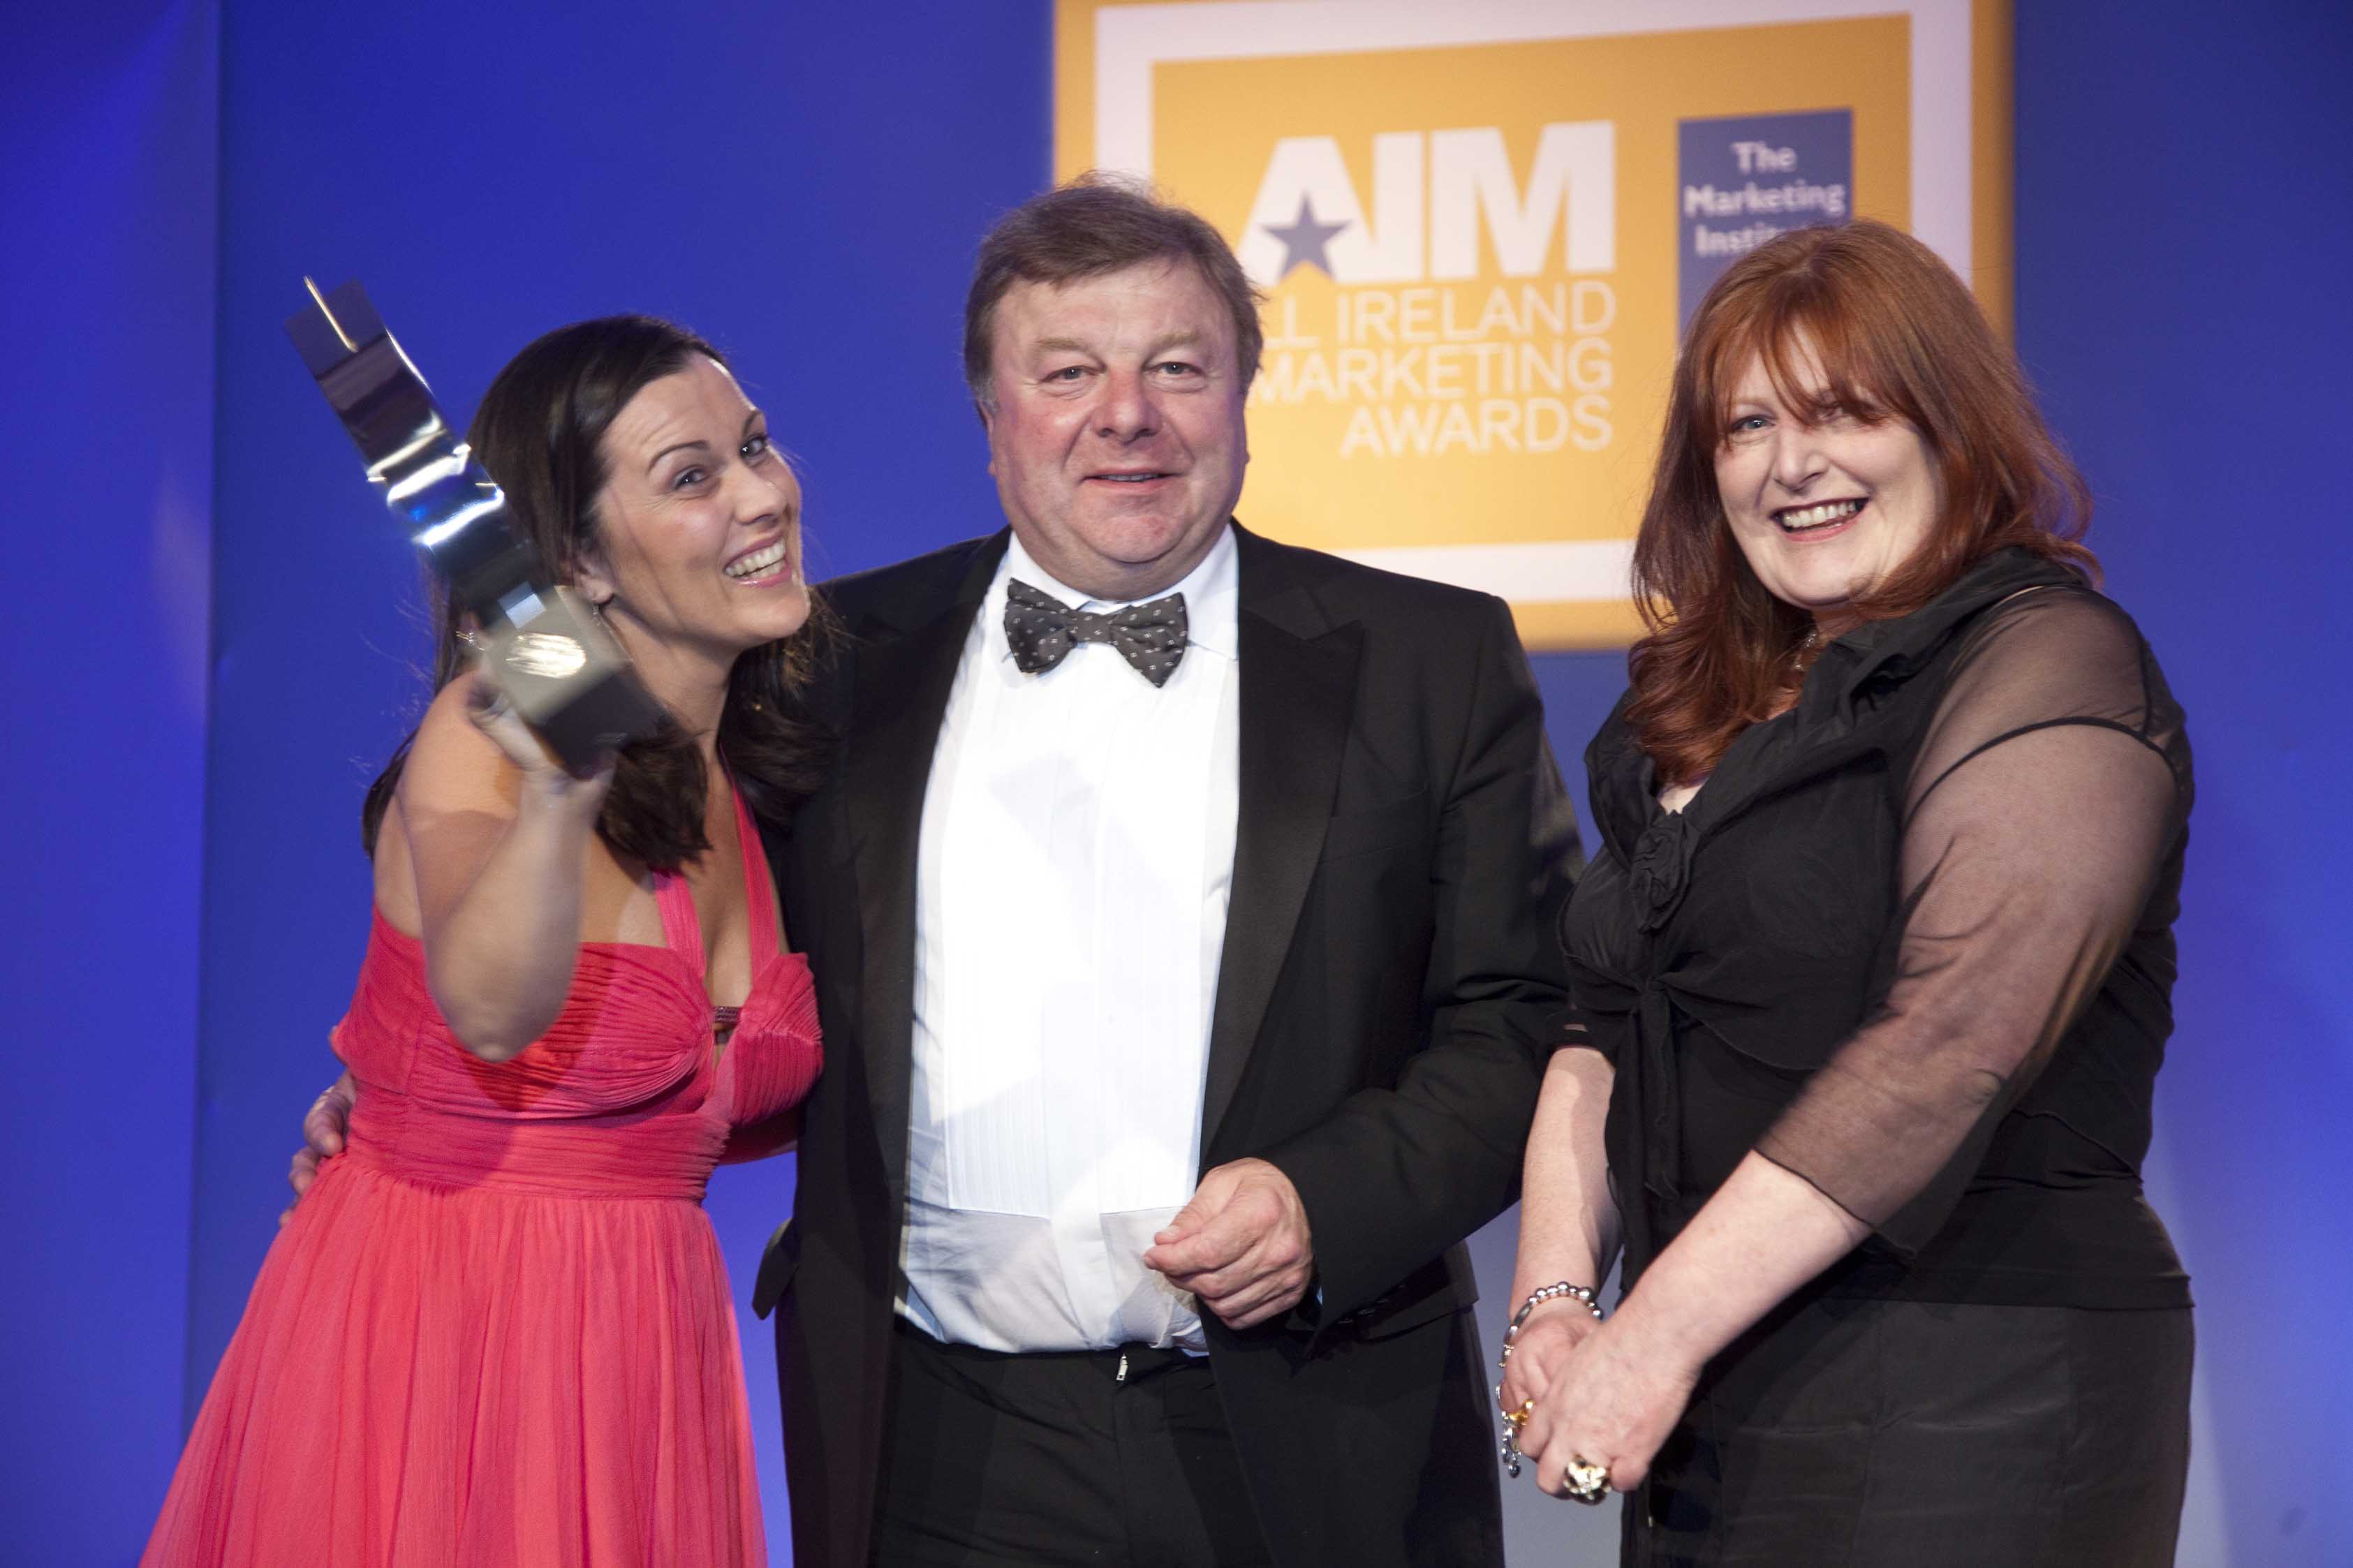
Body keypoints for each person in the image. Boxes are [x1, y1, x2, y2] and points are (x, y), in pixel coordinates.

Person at [291, 177, 1578, 1565]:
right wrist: (423, 1096)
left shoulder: (1428, 661)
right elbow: (607, 942)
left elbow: (1524, 1018)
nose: (1126, 415)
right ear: (988, 413)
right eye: (1067, 373)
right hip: (930, 1450)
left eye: (1176, 368)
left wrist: (1330, 1199)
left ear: (1244, 394)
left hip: (1314, 1430)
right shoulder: (821, 671)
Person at [1497, 218, 2195, 1566]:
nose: (1791, 463)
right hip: (1711, 1394)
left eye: (1842, 412)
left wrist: (1649, 1336)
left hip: (1972, 1393)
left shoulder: (2050, 662)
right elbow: (1599, 1026)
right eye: (1747, 425)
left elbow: (1946, 1042)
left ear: (1946, 427)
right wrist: (1554, 1296)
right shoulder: (1683, 715)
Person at [152, 317, 829, 1567]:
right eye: (692, 475)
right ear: (579, 560)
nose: (761, 494)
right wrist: (561, 803)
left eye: (754, 445)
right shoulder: (490, 730)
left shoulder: (770, 769)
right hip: (442, 1367)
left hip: (642, 1378)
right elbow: (492, 1012)